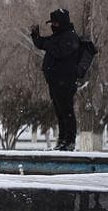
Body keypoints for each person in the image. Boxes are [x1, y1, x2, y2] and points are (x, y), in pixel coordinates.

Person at [30, 8, 81, 151]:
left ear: (62, 23)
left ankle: (69, 141)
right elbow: (43, 43)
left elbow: (58, 51)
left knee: (67, 111)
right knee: (60, 112)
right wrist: (35, 36)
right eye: (52, 23)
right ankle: (62, 140)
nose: (53, 26)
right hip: (54, 81)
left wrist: (47, 43)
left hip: (65, 81)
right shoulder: (57, 37)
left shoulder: (70, 37)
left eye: (55, 23)